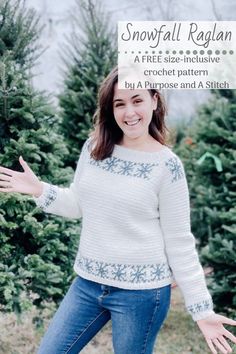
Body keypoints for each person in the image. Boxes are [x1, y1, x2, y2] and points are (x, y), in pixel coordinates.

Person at [0, 66, 235, 354]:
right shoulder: (95, 148)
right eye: (119, 103)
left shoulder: (167, 166)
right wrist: (39, 189)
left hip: (141, 295)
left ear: (154, 101)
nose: (129, 112)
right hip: (87, 284)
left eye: (137, 100)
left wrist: (201, 310)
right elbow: (78, 204)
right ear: (110, 109)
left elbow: (179, 242)